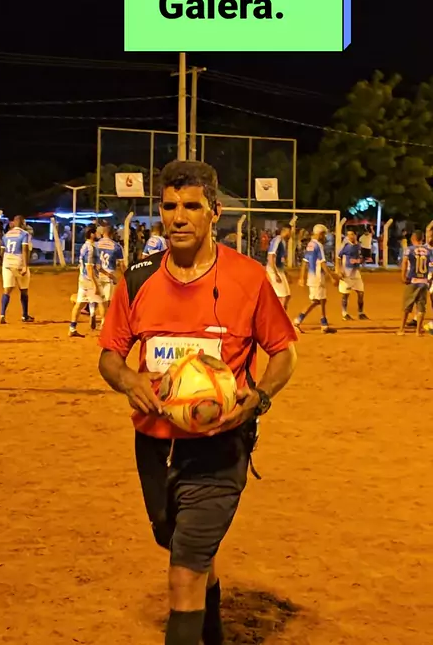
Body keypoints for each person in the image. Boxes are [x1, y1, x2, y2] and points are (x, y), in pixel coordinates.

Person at [98, 160, 297, 645]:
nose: (178, 217)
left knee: (184, 570)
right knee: (175, 541)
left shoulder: (248, 278)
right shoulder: (138, 279)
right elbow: (109, 357)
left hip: (220, 446)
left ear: (215, 212)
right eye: (169, 207)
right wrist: (127, 379)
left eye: (191, 206)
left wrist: (258, 398)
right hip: (154, 443)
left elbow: (284, 352)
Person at [294, 224, 338, 334]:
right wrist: (331, 277)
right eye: (323, 234)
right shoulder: (318, 245)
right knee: (315, 301)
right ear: (320, 234)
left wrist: (302, 277)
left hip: (313, 276)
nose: (324, 237)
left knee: (322, 300)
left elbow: (304, 262)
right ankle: (297, 322)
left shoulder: (310, 244)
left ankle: (324, 325)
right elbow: (322, 263)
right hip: (317, 277)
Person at [69, 225, 105, 337]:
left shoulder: (85, 246)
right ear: (92, 234)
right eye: (96, 232)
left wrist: (108, 274)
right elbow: (89, 267)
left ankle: (72, 328)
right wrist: (95, 284)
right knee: (103, 302)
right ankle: (105, 328)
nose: (98, 234)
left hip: (83, 279)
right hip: (90, 280)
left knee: (79, 304)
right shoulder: (91, 248)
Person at [398, 230, 433, 336]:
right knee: (421, 307)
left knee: (407, 306)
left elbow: (404, 262)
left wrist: (403, 276)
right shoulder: (429, 251)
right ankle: (418, 331)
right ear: (422, 239)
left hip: (412, 280)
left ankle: (401, 329)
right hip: (424, 281)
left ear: (413, 238)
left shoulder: (409, 249)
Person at [0, 215, 34, 324]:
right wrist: (25, 266)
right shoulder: (24, 234)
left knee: (7, 290)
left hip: (7, 263)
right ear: (23, 223)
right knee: (24, 290)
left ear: (13, 223)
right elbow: (25, 250)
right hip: (18, 263)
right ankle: (24, 315)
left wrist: (6, 261)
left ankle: (2, 314)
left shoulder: (6, 235)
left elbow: (2, 252)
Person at [337, 229, 368, 321]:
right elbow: (338, 257)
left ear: (355, 235)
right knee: (345, 294)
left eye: (352, 234)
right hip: (346, 272)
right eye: (348, 235)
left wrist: (361, 261)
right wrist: (339, 270)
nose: (350, 236)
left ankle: (360, 313)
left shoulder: (359, 245)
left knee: (361, 293)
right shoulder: (345, 246)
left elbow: (361, 257)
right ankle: (344, 313)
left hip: (356, 272)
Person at [95, 224, 125, 311]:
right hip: (109, 275)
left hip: (97, 273)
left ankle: (91, 311)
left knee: (97, 297)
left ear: (102, 233)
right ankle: (104, 317)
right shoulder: (116, 246)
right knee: (107, 300)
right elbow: (122, 265)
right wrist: (126, 276)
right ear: (112, 233)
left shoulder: (96, 244)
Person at [266, 226, 291, 311]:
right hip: (274, 271)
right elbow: (270, 257)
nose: (291, 234)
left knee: (287, 295)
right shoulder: (277, 240)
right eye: (290, 232)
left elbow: (281, 259)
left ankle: (277, 314)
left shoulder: (283, 241)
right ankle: (277, 316)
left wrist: (285, 272)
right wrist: (275, 273)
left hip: (279, 270)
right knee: (283, 297)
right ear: (285, 231)